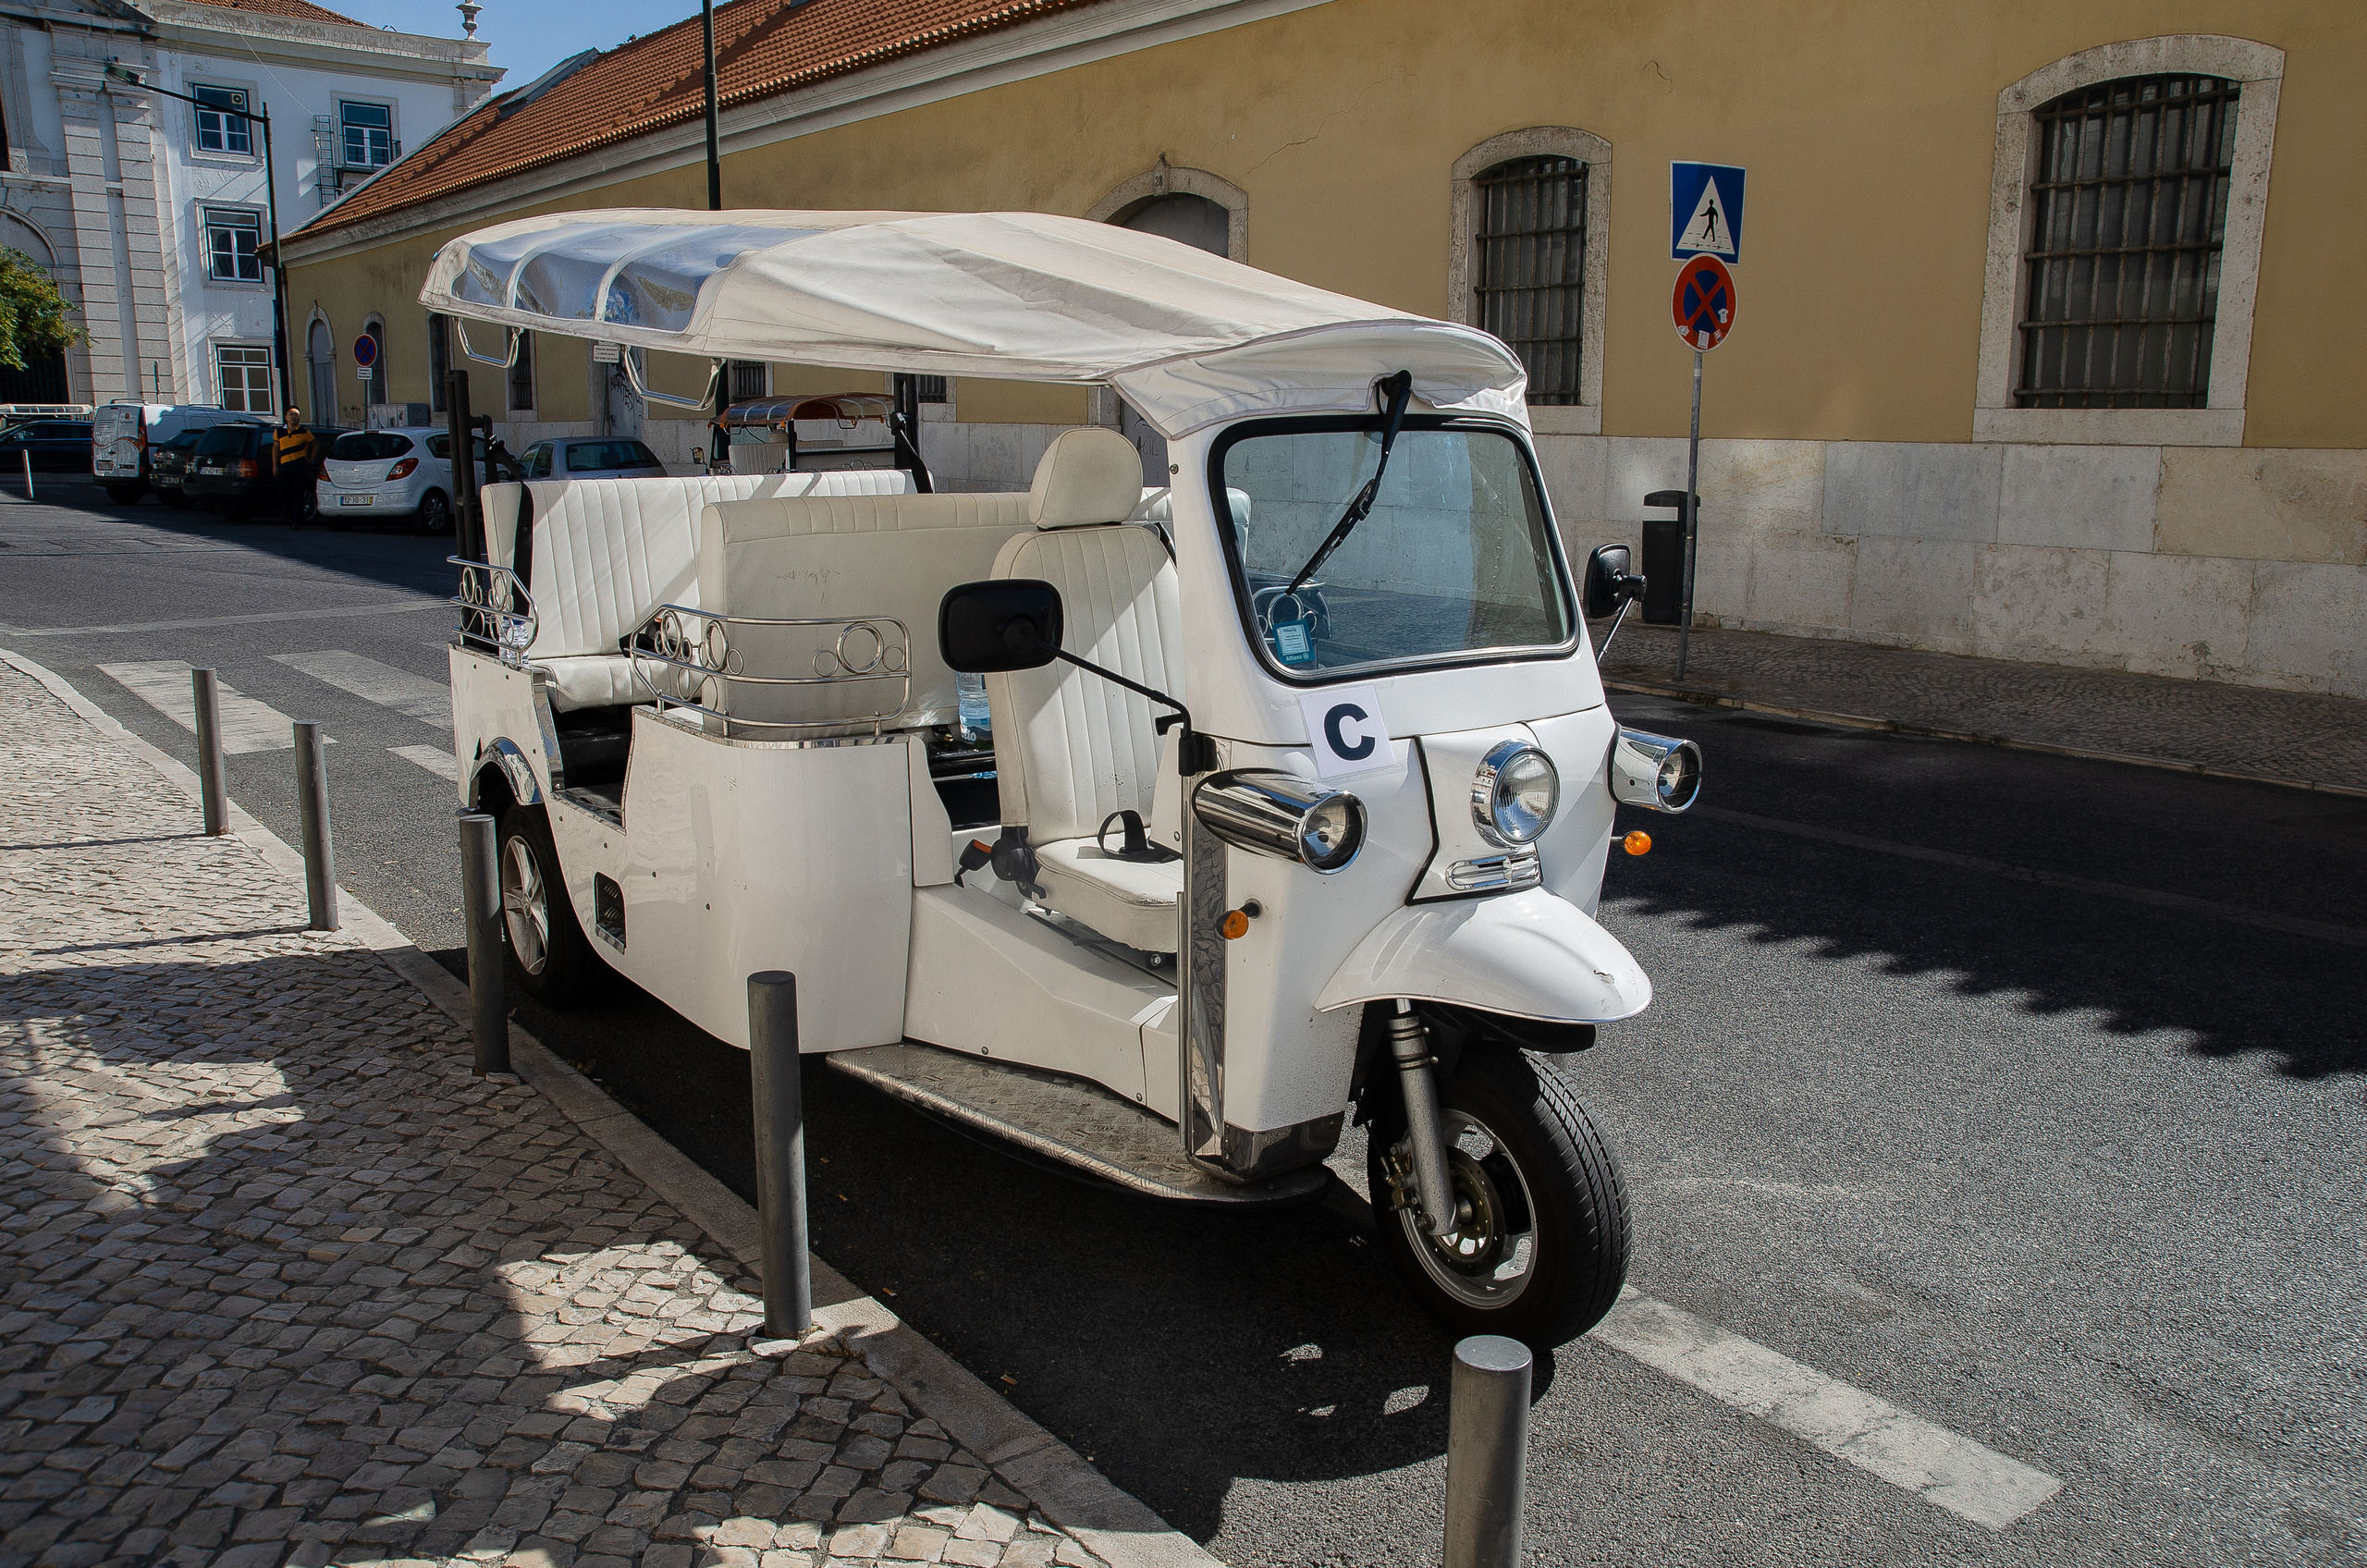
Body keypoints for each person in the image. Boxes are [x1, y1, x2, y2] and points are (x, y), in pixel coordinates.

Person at [275, 408, 318, 529]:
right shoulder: (279, 432)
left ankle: (297, 521)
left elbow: (315, 444)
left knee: (299, 495)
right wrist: (275, 465)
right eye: (291, 414)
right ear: (285, 417)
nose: (294, 417)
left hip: (299, 469)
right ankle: (288, 518)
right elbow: (275, 448)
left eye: (296, 415)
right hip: (285, 468)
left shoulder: (304, 431)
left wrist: (311, 458)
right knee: (285, 494)